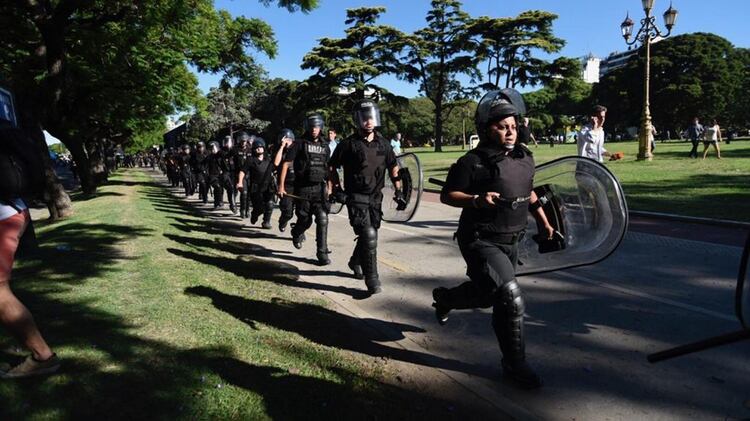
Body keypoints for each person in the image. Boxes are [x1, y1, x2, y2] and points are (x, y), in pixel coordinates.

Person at [431, 89, 555, 390]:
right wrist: (476, 200)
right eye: (502, 126)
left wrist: (545, 223)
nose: (510, 131)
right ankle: (515, 364)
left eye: (513, 125)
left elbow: (530, 191)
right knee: (510, 296)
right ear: (488, 128)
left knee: (490, 296)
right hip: (479, 239)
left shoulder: (526, 157)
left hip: (511, 239)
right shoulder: (472, 161)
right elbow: (448, 195)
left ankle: (446, 299)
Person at [329, 100, 405, 295]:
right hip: (355, 197)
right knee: (369, 234)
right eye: (364, 118)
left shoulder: (384, 144)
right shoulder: (348, 144)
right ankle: (373, 280)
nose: (368, 121)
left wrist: (399, 190)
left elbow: (393, 166)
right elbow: (331, 167)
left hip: (375, 197)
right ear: (358, 120)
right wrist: (335, 188)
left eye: (371, 117)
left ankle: (355, 261)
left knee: (371, 234)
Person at [279, 114, 332, 265]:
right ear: (307, 127)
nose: (314, 130)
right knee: (305, 220)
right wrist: (281, 186)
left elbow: (328, 168)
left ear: (321, 127)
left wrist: (330, 187)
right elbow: (286, 164)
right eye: (312, 127)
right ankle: (296, 232)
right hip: (302, 189)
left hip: (319, 189)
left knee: (322, 219)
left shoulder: (325, 146)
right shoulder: (299, 143)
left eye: (317, 127)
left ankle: (322, 253)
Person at [237, 138, 275, 229]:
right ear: (254, 149)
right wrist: (240, 182)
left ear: (263, 148)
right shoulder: (250, 160)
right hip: (255, 188)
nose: (259, 149)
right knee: (259, 207)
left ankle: (266, 222)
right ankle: (255, 213)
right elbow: (242, 171)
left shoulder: (268, 159)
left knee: (270, 204)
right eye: (256, 147)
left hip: (268, 186)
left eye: (260, 147)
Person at [273, 129, 296, 232]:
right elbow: (276, 163)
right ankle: (283, 220)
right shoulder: (279, 151)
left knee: (303, 211)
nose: (287, 142)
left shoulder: (296, 150)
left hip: (297, 183)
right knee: (287, 210)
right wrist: (282, 147)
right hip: (285, 184)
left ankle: (299, 231)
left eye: (289, 140)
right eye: (285, 140)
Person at [233, 132, 253, 218]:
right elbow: (230, 160)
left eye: (245, 141)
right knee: (244, 193)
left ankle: (248, 209)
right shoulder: (235, 150)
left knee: (249, 194)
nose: (243, 143)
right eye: (242, 141)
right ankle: (242, 210)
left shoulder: (251, 149)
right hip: (240, 174)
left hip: (250, 174)